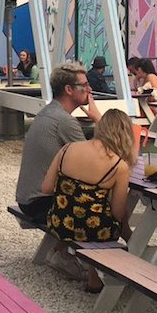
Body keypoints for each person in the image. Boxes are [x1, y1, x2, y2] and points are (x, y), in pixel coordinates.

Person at [43, 109, 134, 292]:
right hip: (93, 229)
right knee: (108, 220)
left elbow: (46, 188)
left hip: (59, 221)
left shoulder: (67, 148)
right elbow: (117, 212)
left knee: (91, 215)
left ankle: (91, 272)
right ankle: (134, 255)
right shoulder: (119, 165)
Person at [16, 62, 102, 225]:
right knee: (108, 204)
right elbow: (95, 161)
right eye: (84, 85)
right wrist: (99, 119)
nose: (89, 90)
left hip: (28, 199)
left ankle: (63, 250)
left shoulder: (48, 112)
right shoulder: (64, 121)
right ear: (69, 90)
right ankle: (128, 245)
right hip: (43, 202)